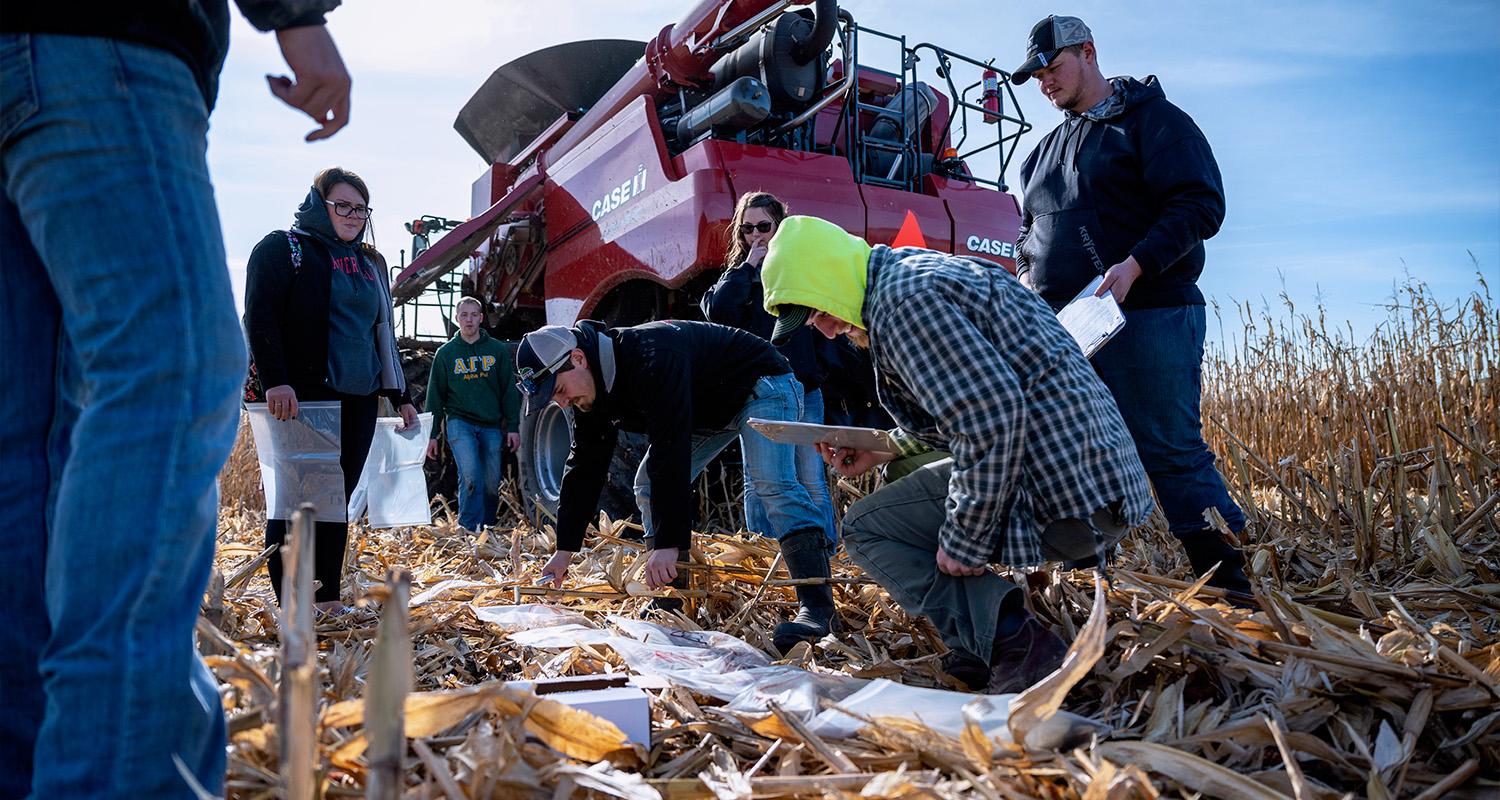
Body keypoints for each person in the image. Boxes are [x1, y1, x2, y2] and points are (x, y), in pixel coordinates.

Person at [0, 2, 351, 797]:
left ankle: (29, 767)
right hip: (105, 44)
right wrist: (294, 13)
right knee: (173, 365)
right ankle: (112, 775)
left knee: (29, 431)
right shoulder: (288, 253)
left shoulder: (358, 268)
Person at [760, 215, 1155, 693]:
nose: (825, 333)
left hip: (1068, 498)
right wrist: (883, 450)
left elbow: (991, 418)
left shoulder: (903, 305)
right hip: (1091, 479)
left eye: (819, 313)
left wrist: (965, 538)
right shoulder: (915, 274)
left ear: (832, 279)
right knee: (901, 499)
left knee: (867, 528)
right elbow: (974, 407)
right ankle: (979, 639)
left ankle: (1016, 641)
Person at [1009, 15, 1250, 592]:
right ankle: (1091, 595)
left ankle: (1234, 588)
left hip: (1149, 312)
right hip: (1068, 328)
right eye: (1036, 75)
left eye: (1053, 67)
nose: (1045, 82)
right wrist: (1023, 275)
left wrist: (1135, 265)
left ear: (1088, 52)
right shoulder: (1043, 152)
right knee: (1075, 456)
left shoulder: (1155, 122)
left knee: (1169, 449)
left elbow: (1198, 205)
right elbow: (1027, 232)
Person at [521, 320, 840, 652]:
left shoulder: (651, 357)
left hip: (762, 384)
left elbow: (669, 447)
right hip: (712, 407)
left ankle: (818, 609)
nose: (563, 402)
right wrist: (564, 549)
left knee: (771, 483)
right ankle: (672, 601)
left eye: (559, 391)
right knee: (646, 483)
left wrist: (667, 543)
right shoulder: (590, 392)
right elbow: (584, 464)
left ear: (578, 358)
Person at [243, 166, 418, 614]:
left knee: (334, 499)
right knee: (297, 498)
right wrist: (275, 380)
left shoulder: (370, 262)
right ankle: (289, 600)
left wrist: (399, 395)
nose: (353, 215)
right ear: (319, 204)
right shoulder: (286, 248)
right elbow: (261, 317)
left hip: (357, 396)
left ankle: (325, 597)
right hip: (303, 395)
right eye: (343, 205)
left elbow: (383, 332)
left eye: (361, 208)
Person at [700, 191, 835, 544]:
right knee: (758, 482)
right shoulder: (737, 277)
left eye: (764, 226)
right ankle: (762, 554)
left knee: (811, 480)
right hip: (762, 393)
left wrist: (818, 368)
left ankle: (826, 553)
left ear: (779, 226)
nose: (755, 235)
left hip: (805, 389)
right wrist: (748, 268)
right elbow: (717, 311)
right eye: (747, 229)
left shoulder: (799, 267)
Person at [425, 295, 521, 531]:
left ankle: (486, 530)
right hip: (461, 423)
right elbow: (434, 397)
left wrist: (514, 427)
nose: (469, 320)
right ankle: (468, 530)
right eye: (464, 315)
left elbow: (508, 390)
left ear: (481, 318)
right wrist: (431, 434)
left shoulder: (496, 350)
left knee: (490, 482)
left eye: (474, 315)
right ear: (457, 319)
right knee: (470, 477)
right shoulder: (445, 354)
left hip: (491, 424)